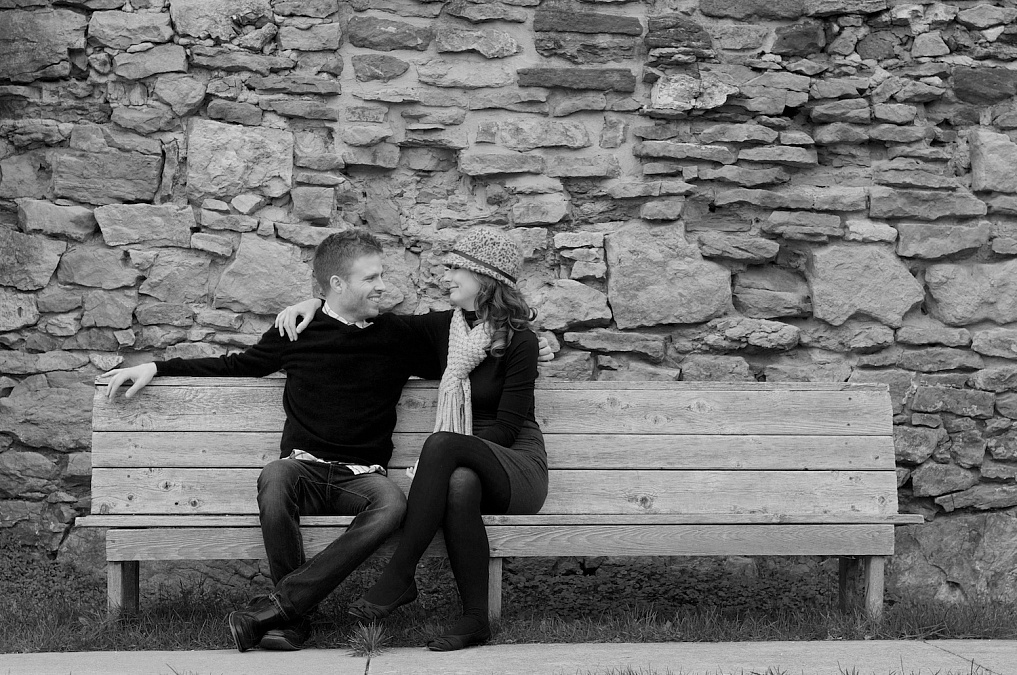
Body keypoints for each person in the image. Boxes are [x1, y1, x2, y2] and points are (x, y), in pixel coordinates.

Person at [276, 228, 548, 651]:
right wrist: (315, 302)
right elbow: (368, 322)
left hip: (516, 468)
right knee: (458, 484)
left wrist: (452, 452)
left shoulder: (521, 342)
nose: (447, 274)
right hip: (465, 467)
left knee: (442, 446)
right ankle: (475, 620)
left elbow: (508, 430)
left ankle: (400, 575)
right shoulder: (446, 330)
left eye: (457, 267)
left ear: (486, 278)